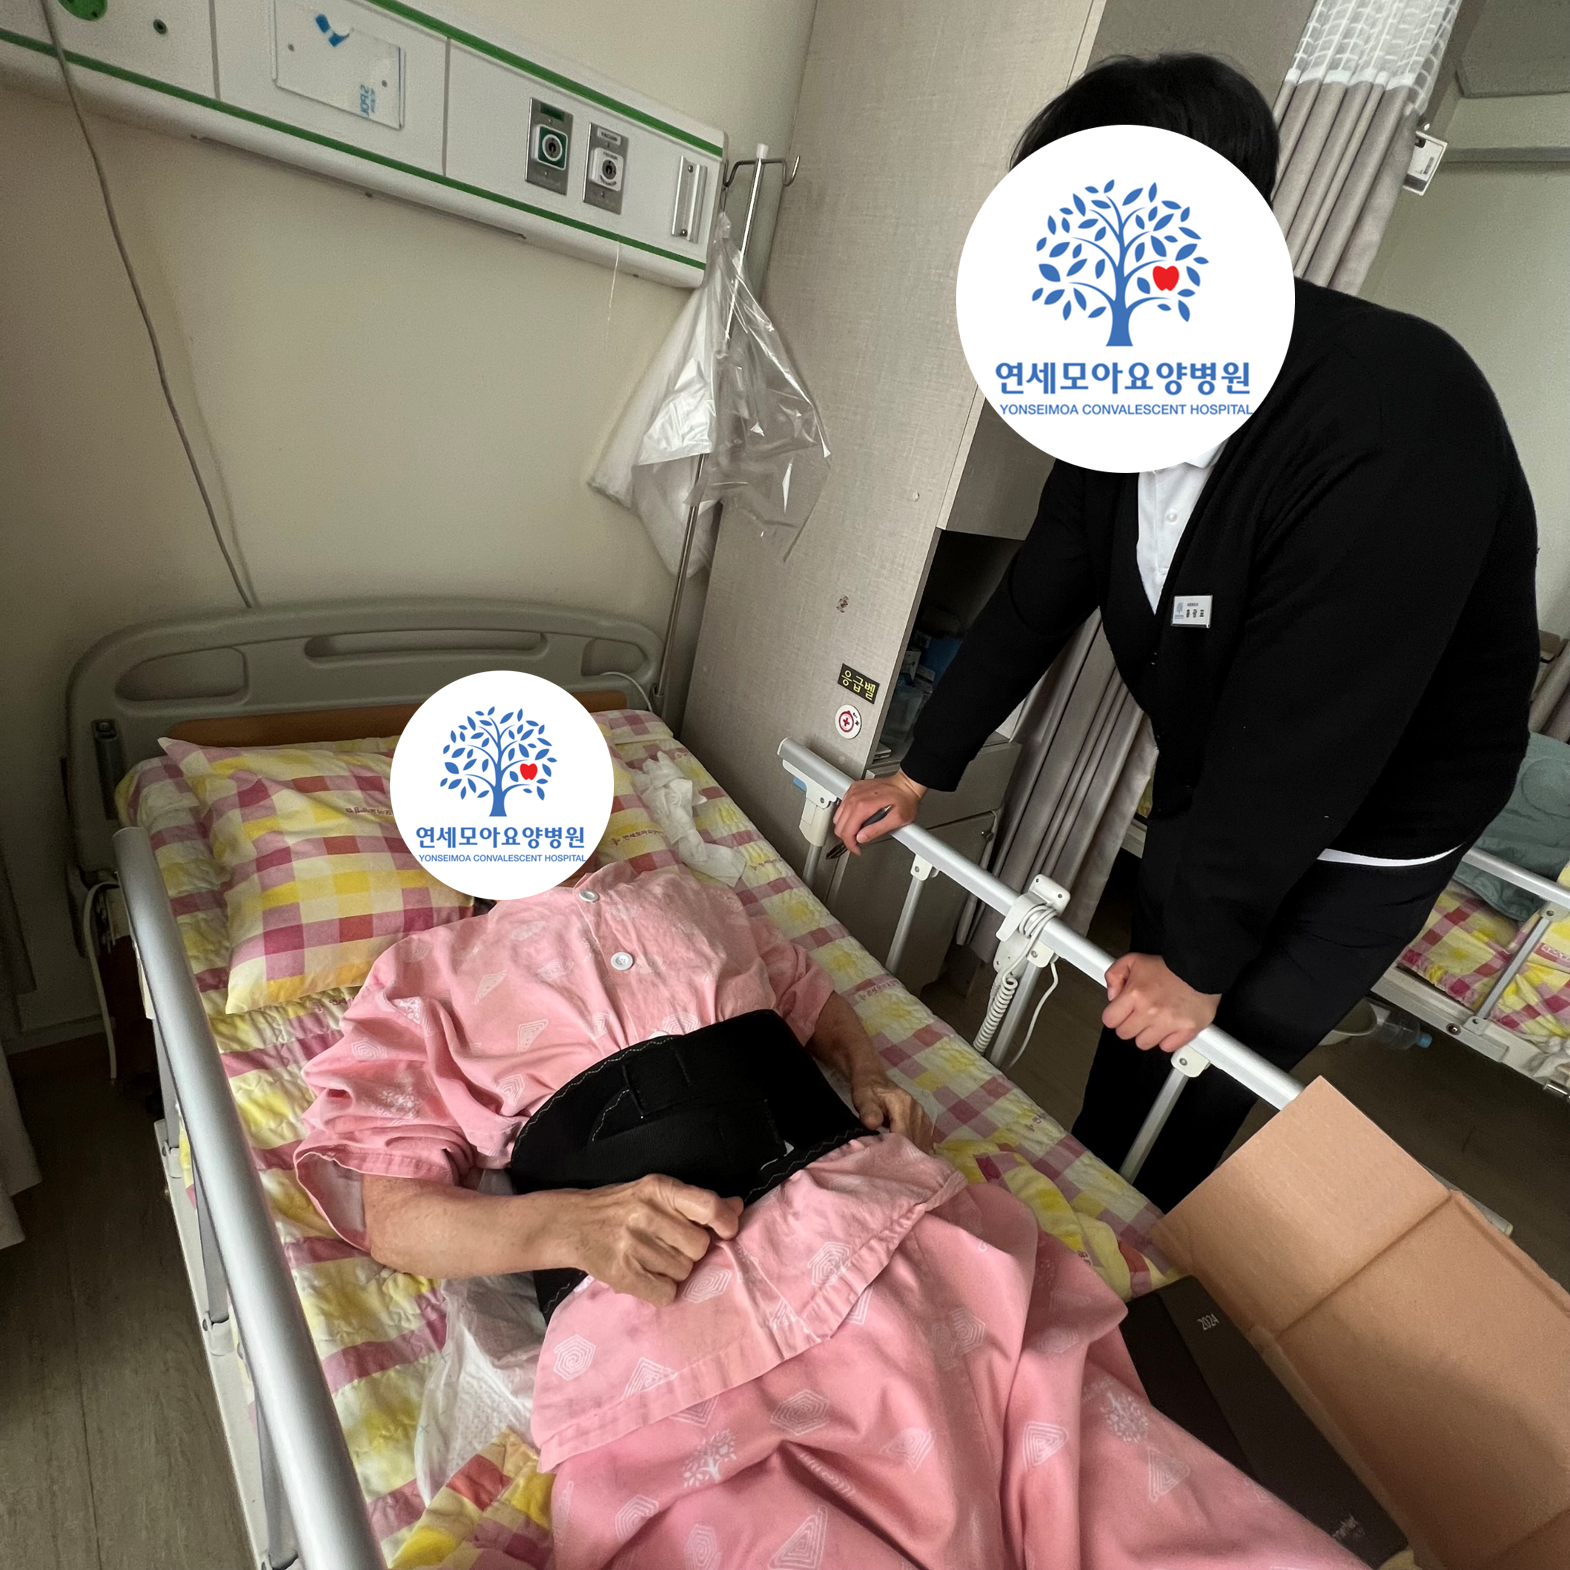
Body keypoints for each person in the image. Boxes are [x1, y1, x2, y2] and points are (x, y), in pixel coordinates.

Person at [834, 53, 1540, 1210]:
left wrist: (1204, 966)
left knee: (1212, 1049)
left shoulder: (1394, 406)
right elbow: (1038, 593)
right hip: (1226, 768)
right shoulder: (1117, 395)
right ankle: (1089, 1187)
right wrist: (919, 770)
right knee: (1138, 1005)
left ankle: (1131, 1230)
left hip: (1375, 815)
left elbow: (1308, 729)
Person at [294, 855, 1364, 1570]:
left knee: (1091, 1461)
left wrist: (862, 1072)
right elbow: (393, 1212)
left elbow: (813, 999)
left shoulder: (683, 889)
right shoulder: (423, 975)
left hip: (869, 1215)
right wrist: (567, 1226)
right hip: (666, 1302)